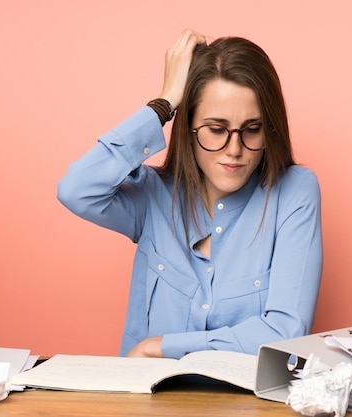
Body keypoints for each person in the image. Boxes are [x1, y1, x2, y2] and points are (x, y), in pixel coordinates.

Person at [57, 29, 323, 359]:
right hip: (144, 404)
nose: (234, 150)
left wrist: (162, 347)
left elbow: (285, 332)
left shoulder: (295, 191)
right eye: (216, 129)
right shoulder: (152, 195)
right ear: (189, 127)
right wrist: (164, 103)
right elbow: (76, 189)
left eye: (252, 129)